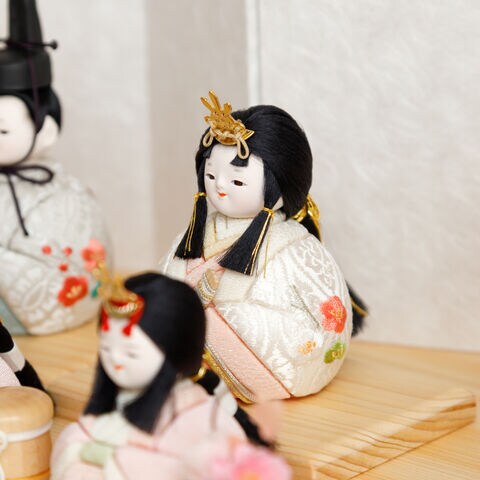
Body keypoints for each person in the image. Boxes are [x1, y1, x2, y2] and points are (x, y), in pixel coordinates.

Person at [160, 91, 367, 402]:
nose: (219, 186)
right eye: (211, 174)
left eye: (237, 181)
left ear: (279, 189)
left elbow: (325, 327)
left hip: (260, 371)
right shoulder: (191, 236)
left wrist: (222, 316)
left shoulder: (297, 250)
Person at [51, 269, 287, 479]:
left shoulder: (200, 417)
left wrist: (109, 460)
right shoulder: (115, 401)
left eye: (131, 353)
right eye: (105, 348)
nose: (115, 360)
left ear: (175, 350)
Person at [0, 0, 110, 335]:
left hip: (34, 317)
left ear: (45, 130)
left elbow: (64, 267)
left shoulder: (64, 197)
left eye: (2, 131)